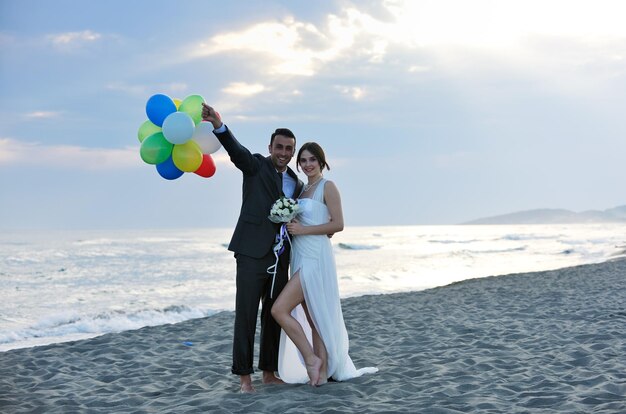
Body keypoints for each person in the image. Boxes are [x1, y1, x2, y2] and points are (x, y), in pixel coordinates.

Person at [201, 103, 304, 393]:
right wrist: (219, 125)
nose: (283, 153)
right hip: (250, 254)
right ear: (270, 147)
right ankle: (245, 378)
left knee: (273, 315)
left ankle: (269, 372)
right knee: (245, 315)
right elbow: (237, 153)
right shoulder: (256, 165)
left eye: (288, 149)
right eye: (279, 147)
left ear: (292, 153)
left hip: (280, 257)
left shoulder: (296, 183)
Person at [271, 142, 378, 386]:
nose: (308, 165)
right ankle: (322, 371)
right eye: (304, 161)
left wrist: (304, 229)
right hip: (299, 255)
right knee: (313, 317)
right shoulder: (301, 191)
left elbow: (338, 225)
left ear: (321, 161)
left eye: (312, 160)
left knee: (279, 309)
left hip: (315, 258)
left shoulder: (328, 187)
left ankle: (312, 360)